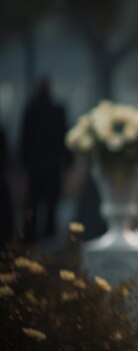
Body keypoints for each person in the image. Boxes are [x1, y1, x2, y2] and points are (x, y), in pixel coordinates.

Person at [20, 77, 72, 243]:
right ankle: (47, 243)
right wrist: (67, 162)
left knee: (36, 207)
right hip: (50, 168)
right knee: (49, 208)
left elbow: (24, 140)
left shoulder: (31, 110)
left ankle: (31, 241)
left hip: (37, 168)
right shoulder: (56, 110)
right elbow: (64, 139)